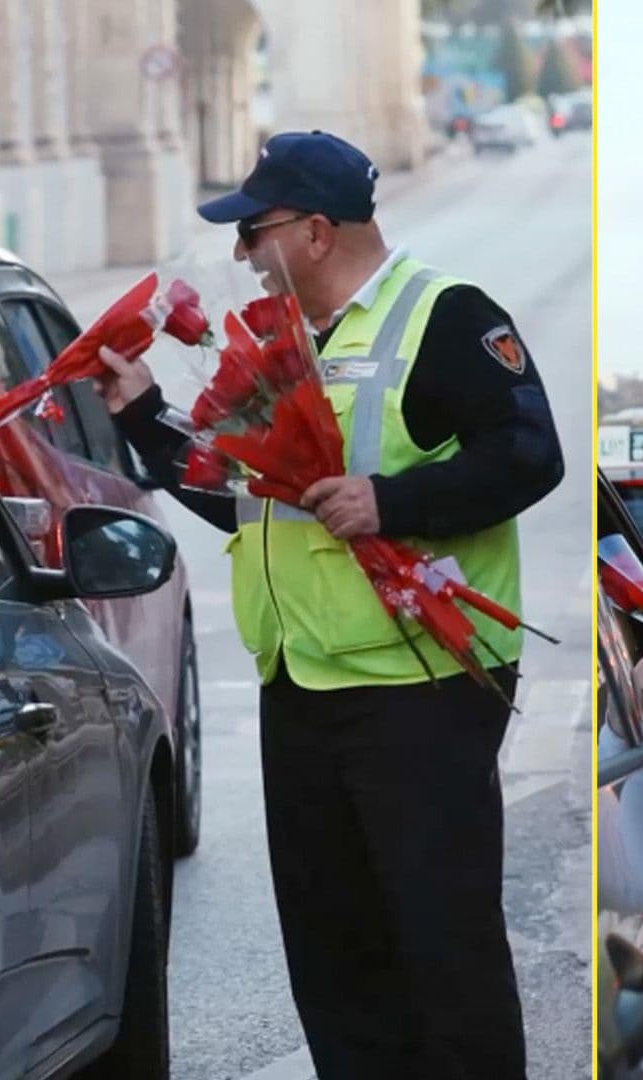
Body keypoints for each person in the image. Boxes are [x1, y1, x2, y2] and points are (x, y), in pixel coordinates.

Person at [93, 130, 564, 1079]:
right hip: (299, 683)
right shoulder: (282, 345)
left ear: (314, 232)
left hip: (420, 687)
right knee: (335, 958)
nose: (238, 256)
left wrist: (395, 502)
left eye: (250, 232)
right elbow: (241, 495)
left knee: (442, 952)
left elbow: (529, 455)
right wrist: (142, 414)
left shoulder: (444, 315)